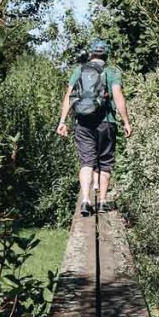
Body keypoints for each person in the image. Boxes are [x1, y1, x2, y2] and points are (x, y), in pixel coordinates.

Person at [56, 39, 132, 217]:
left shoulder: (79, 71)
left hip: (83, 123)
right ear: (107, 55)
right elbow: (118, 96)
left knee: (86, 162)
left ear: (91, 54)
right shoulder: (112, 72)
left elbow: (69, 96)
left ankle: (85, 200)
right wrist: (126, 121)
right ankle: (103, 201)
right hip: (106, 122)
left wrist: (62, 121)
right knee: (105, 162)